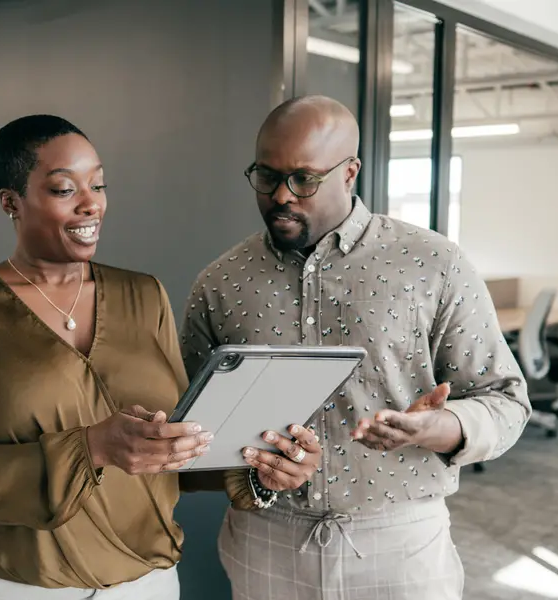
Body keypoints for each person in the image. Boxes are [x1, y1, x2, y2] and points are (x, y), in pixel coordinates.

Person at [0, 115, 321, 600]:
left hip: (145, 584)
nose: (93, 204)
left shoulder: (143, 294)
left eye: (99, 184)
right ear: (11, 203)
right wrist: (93, 447)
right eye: (65, 189)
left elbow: (175, 448)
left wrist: (261, 466)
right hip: (18, 585)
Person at [179, 96, 531, 599]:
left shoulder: (434, 264)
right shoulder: (221, 282)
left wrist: (440, 427)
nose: (281, 196)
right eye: (266, 176)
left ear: (350, 172)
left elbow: (506, 401)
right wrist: (251, 470)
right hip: (265, 541)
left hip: (399, 545)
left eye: (304, 179)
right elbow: (189, 437)